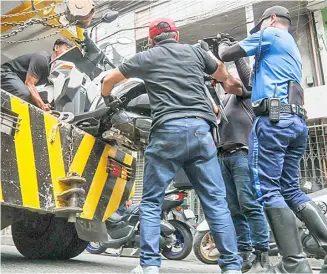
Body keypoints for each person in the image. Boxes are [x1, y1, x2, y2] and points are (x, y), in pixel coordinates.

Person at [101, 18, 243, 274]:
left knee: (152, 201)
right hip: (201, 132)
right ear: (176, 36)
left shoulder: (146, 57)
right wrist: (232, 85)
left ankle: (150, 266)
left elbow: (109, 79)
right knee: (215, 202)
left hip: (167, 131)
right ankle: (232, 267)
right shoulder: (196, 52)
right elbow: (224, 76)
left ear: (152, 40)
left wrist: (107, 98)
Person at [219, 5, 327, 273]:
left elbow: (227, 54)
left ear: (273, 19)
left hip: (273, 121)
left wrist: (223, 45)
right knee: (290, 189)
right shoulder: (288, 49)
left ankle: (293, 264)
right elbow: (251, 85)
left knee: (267, 189)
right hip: (295, 123)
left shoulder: (270, 34)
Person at [1, 38, 73, 111]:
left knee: (32, 99)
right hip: (5, 73)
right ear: (56, 48)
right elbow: (29, 84)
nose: (69, 54)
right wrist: (42, 105)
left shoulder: (52, 70)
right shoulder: (42, 58)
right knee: (23, 93)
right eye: (67, 49)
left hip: (18, 81)